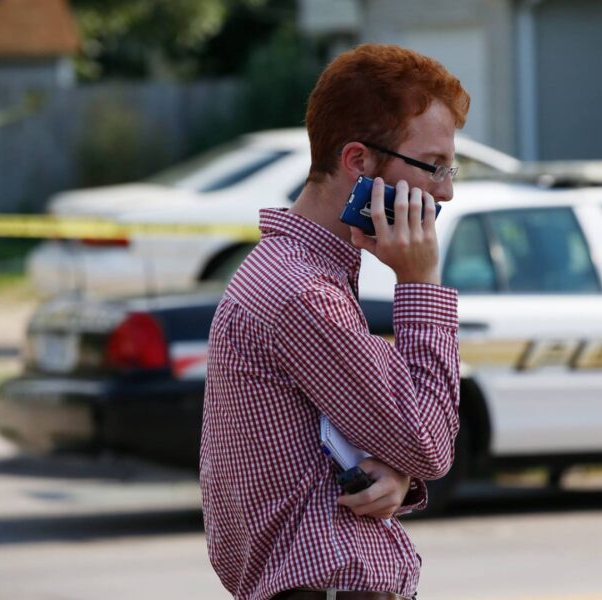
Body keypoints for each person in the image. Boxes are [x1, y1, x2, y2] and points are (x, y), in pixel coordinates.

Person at [200, 43, 469, 600]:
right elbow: (431, 444)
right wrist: (420, 284)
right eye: (434, 166)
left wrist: (398, 476)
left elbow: (384, 439)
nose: (445, 190)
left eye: (451, 168)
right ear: (358, 162)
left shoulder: (300, 276)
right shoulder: (303, 295)